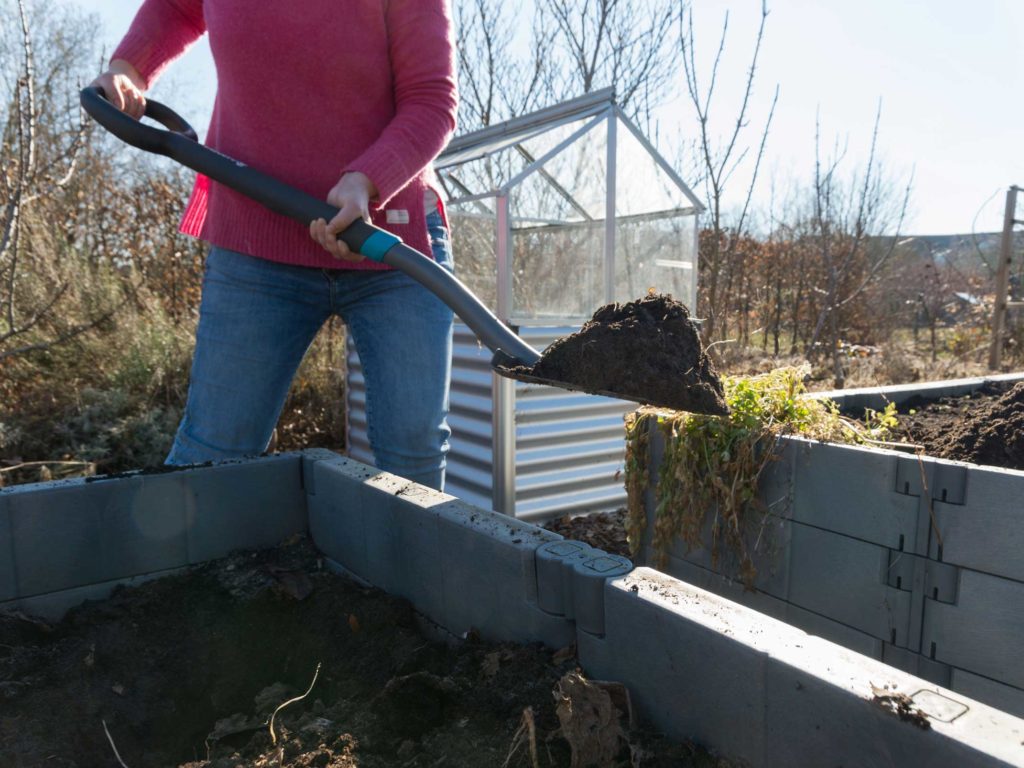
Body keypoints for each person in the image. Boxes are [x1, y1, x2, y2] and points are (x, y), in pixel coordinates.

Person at [91, 1, 459, 491]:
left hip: (387, 243)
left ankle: (409, 566)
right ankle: (192, 568)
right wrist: (128, 67)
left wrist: (366, 182)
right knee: (215, 449)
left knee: (412, 452)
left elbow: (432, 100)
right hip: (255, 239)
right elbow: (176, 8)